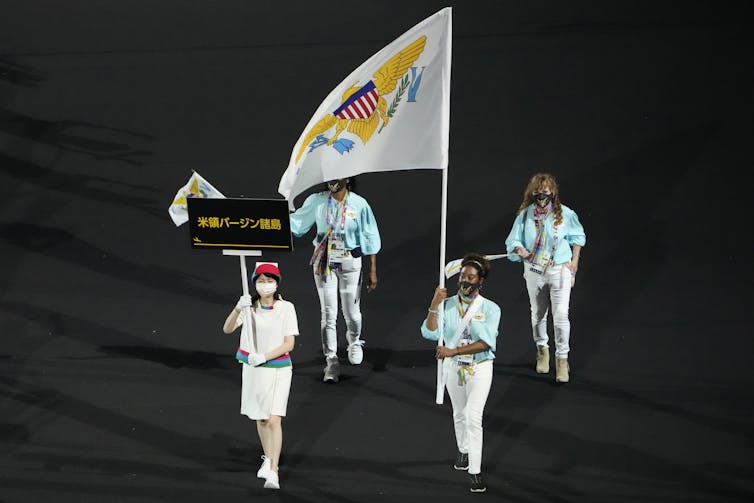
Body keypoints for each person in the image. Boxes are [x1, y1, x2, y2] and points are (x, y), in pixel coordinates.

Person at [421, 253, 501, 494]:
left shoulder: (490, 309)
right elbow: (429, 332)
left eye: (471, 277)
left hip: (479, 367)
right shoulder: (447, 305)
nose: (465, 280)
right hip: (454, 368)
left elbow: (486, 343)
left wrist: (453, 350)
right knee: (459, 412)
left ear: (481, 280)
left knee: (473, 416)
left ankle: (475, 471)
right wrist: (435, 304)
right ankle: (463, 450)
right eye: (463, 276)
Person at [289, 177, 381, 383]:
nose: (333, 181)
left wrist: (372, 270)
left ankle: (354, 340)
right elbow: (296, 223)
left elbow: (370, 236)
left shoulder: (359, 204)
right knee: (328, 313)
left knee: (352, 313)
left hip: (350, 261)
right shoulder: (317, 201)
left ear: (347, 179)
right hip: (324, 261)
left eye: (338, 177)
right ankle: (331, 361)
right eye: (330, 177)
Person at [222, 262, 299, 490]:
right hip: (254, 369)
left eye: (270, 280)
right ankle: (267, 458)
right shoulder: (249, 308)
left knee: (274, 419)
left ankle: (273, 472)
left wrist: (264, 356)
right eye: (261, 281)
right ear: (254, 283)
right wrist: (238, 308)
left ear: (277, 284)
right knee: (261, 418)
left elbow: (289, 343)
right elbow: (227, 329)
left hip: (278, 368)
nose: (266, 285)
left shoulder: (286, 308)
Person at [504, 173, 586, 383]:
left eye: (546, 192)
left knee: (560, 315)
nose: (542, 196)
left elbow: (578, 237)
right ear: (533, 193)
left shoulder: (565, 214)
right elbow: (512, 240)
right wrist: (519, 249)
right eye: (539, 192)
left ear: (553, 193)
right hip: (534, 270)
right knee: (538, 313)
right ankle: (542, 350)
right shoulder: (525, 216)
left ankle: (562, 359)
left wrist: (574, 261)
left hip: (559, 269)